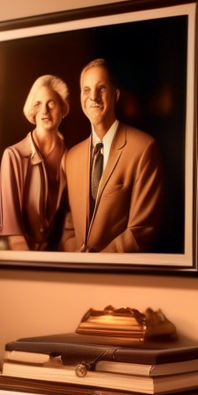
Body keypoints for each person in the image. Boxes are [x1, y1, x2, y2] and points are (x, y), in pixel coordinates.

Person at [60, 59, 163, 253]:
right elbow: (69, 226)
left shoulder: (144, 148)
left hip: (120, 277)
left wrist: (97, 263)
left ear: (115, 95)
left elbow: (142, 230)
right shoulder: (71, 157)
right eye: (86, 90)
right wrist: (75, 257)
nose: (93, 97)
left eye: (102, 88)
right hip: (78, 278)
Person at [0, 74, 70, 251]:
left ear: (62, 109)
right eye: (38, 104)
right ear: (33, 111)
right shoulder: (13, 156)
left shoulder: (71, 157)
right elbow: (14, 235)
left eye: (51, 103)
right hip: (17, 260)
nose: (45, 110)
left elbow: (70, 222)